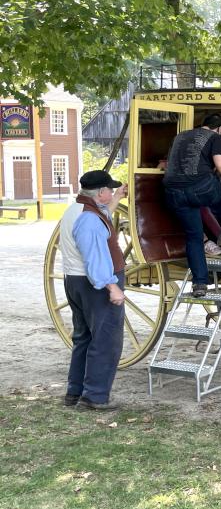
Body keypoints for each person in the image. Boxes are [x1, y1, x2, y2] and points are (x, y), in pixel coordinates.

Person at [163, 113, 221, 296]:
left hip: (173, 193)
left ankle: (199, 283)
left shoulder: (179, 136)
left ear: (203, 125)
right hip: (201, 190)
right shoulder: (216, 138)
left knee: (194, 237)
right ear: (220, 129)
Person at [59, 170, 127, 411]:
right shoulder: (89, 219)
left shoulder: (76, 210)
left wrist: (117, 197)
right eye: (109, 189)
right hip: (95, 285)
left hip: (75, 282)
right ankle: (94, 397)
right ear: (100, 193)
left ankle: (74, 392)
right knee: (105, 340)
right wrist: (112, 287)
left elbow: (103, 214)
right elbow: (95, 257)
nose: (110, 192)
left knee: (84, 338)